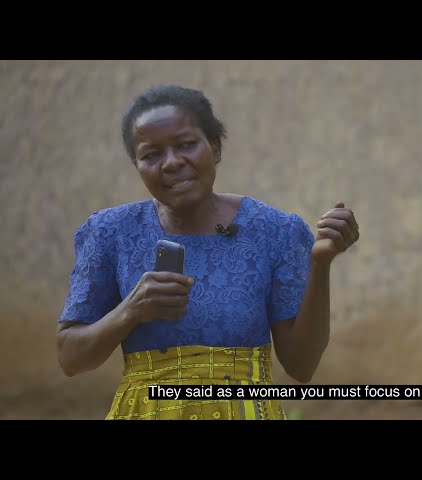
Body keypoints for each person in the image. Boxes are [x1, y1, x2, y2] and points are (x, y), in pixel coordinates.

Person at [56, 84, 360, 420]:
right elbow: (70, 357)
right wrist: (130, 311)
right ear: (137, 165)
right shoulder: (110, 233)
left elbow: (302, 366)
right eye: (151, 154)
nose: (171, 163)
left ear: (214, 148)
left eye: (186, 145)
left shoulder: (274, 231)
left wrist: (320, 264)